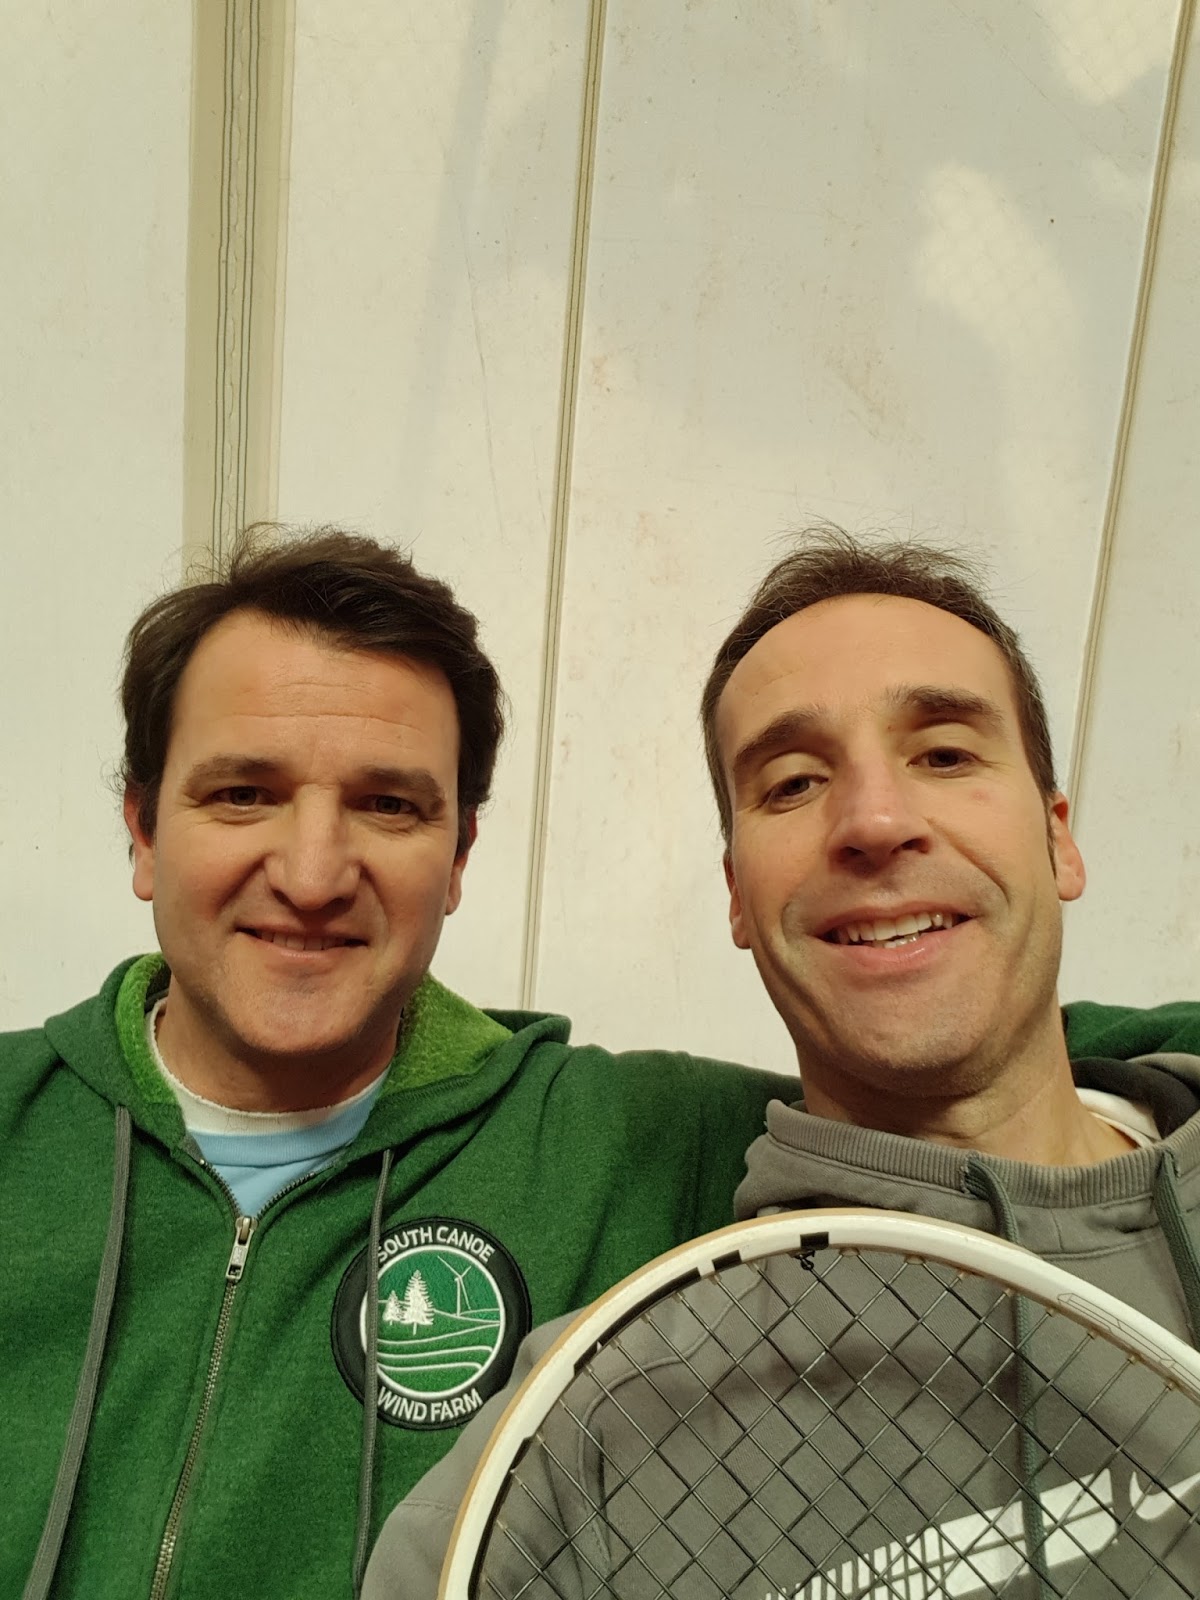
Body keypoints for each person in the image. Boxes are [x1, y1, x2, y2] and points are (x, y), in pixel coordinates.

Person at [364, 530, 1200, 1598]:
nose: (876, 821)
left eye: (945, 754)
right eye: (795, 781)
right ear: (736, 896)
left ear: (1058, 837)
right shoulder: (585, 1441)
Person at [5, 528, 805, 1600]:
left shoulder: (646, 1143)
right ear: (144, 833)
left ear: (459, 855)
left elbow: (969, 1102)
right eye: (242, 793)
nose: (313, 874)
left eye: (388, 805)